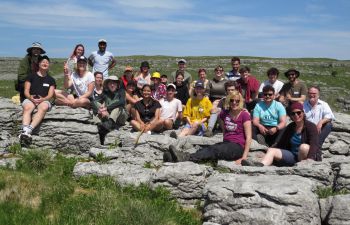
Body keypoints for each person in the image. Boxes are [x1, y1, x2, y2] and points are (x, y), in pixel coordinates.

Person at [164, 91, 252, 165]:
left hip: (238, 147)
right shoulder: (225, 113)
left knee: (215, 150)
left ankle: (185, 157)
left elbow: (248, 138)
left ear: (240, 102)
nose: (234, 103)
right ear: (229, 101)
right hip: (227, 143)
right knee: (210, 149)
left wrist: (243, 158)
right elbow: (220, 122)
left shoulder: (244, 115)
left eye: (237, 101)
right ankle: (175, 158)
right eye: (232, 100)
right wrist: (219, 109)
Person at [242, 102, 321, 167]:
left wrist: (310, 159)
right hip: (293, 156)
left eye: (298, 112)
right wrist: (268, 152)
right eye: (293, 114)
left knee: (303, 147)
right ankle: (261, 166)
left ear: (303, 113)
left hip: (307, 158)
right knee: (271, 151)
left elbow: (314, 144)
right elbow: (281, 142)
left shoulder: (311, 126)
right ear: (291, 116)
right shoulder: (290, 126)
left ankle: (302, 167)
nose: (296, 115)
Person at [19, 55, 56, 142]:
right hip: (30, 99)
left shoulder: (51, 80)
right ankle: (25, 130)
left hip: (44, 100)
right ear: (39, 64)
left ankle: (28, 131)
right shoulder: (30, 76)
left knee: (43, 107)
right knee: (28, 107)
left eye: (47, 62)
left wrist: (42, 99)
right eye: (43, 62)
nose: (45, 63)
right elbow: (26, 91)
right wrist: (30, 97)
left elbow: (50, 94)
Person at [92, 76, 128, 145]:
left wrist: (106, 108)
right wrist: (99, 110)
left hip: (121, 117)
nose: (112, 85)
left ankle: (109, 125)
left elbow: (122, 102)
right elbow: (94, 101)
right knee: (97, 106)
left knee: (118, 107)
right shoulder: (105, 93)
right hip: (109, 115)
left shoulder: (121, 91)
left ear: (117, 85)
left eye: (114, 83)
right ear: (107, 85)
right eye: (110, 83)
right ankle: (99, 125)